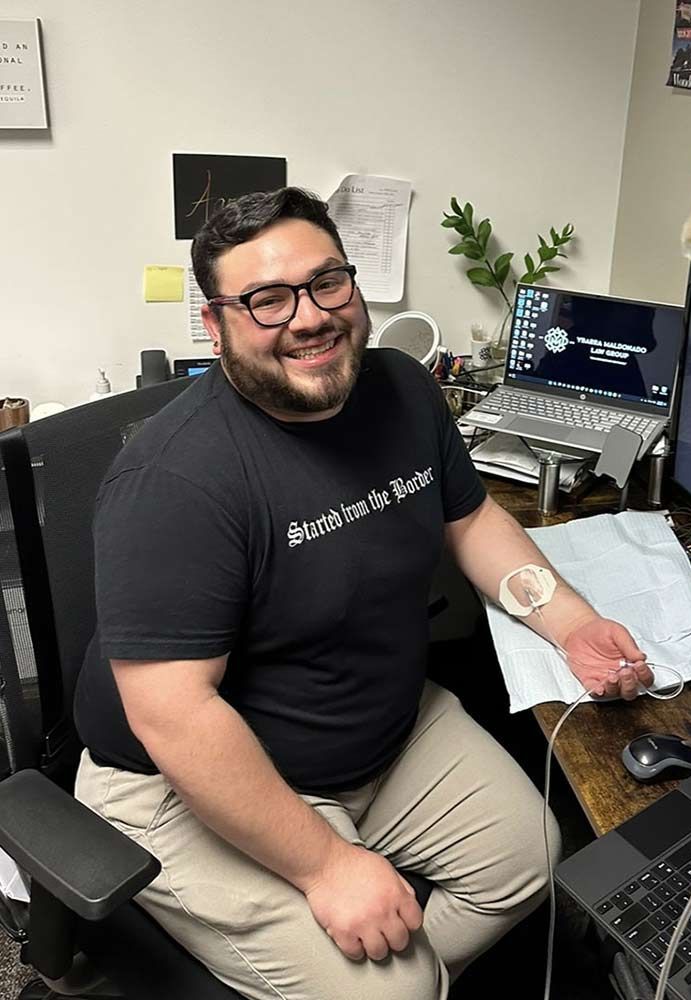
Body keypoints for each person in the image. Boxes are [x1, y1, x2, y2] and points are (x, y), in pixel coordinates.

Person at [73, 186, 653, 1000]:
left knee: (534, 862)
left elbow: (473, 519)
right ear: (216, 325)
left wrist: (572, 622)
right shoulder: (176, 480)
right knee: (395, 986)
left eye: (326, 283)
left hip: (377, 730)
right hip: (186, 775)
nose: (307, 317)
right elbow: (175, 713)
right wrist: (327, 864)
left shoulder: (403, 390)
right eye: (266, 300)